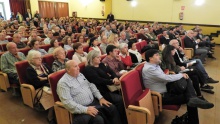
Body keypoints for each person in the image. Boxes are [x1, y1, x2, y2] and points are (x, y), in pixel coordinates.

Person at [142, 49, 214, 124]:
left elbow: (164, 78)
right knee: (189, 98)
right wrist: (180, 75)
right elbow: (165, 78)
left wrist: (179, 76)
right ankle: (194, 117)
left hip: (166, 88)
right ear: (150, 58)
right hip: (160, 96)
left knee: (187, 81)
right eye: (156, 55)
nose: (159, 56)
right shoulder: (149, 69)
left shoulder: (154, 65)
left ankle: (193, 104)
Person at [57, 60, 122, 124]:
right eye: (75, 66)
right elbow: (67, 102)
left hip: (94, 102)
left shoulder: (80, 75)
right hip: (81, 109)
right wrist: (85, 110)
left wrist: (100, 98)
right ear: (68, 70)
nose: (78, 68)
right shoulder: (63, 83)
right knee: (98, 119)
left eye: (78, 66)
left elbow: (91, 85)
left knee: (111, 108)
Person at [83, 50, 128, 124]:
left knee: (123, 96)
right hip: (101, 91)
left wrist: (115, 78)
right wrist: (112, 81)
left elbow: (111, 71)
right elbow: (98, 80)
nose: (100, 59)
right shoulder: (88, 69)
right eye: (97, 57)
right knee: (120, 100)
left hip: (110, 87)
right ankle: (122, 120)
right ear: (92, 58)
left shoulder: (101, 64)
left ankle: (124, 119)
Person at [26, 50, 54, 122]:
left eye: (40, 57)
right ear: (31, 60)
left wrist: (44, 78)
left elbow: (53, 75)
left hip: (49, 85)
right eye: (37, 58)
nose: (40, 59)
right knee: (52, 96)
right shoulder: (30, 70)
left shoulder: (44, 65)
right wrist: (48, 78)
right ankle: (50, 117)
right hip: (39, 89)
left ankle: (59, 112)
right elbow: (37, 83)